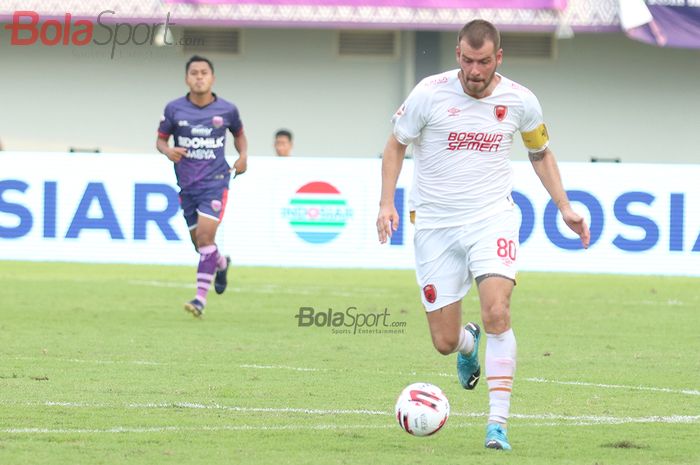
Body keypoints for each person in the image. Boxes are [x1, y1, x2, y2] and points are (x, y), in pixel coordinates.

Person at [376, 20, 590, 451]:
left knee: (498, 311)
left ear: (499, 58)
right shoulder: (428, 93)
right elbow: (396, 144)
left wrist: (564, 205)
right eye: (468, 60)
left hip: (492, 219)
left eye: (484, 61)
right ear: (458, 54)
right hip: (435, 226)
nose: (475, 70)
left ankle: (497, 424)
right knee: (443, 342)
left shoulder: (521, 100)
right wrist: (386, 203)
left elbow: (540, 151)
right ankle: (467, 344)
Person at [156, 55, 248, 317]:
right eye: (194, 73)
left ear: (212, 78)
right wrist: (168, 151)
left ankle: (199, 300)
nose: (199, 77)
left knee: (206, 238)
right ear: (187, 78)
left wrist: (242, 157)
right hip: (187, 185)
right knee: (201, 246)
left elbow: (239, 135)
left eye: (204, 73)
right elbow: (160, 140)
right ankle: (221, 263)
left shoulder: (227, 110)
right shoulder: (174, 109)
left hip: (216, 183)